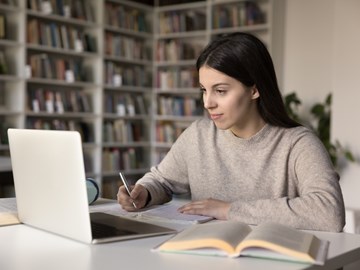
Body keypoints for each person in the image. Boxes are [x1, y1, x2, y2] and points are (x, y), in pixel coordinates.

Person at [117, 32, 345, 232]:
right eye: (204, 90)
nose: (208, 102)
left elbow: (329, 212)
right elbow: (162, 180)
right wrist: (143, 192)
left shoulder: (298, 143)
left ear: (254, 89)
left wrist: (229, 210)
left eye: (220, 91)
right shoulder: (198, 135)